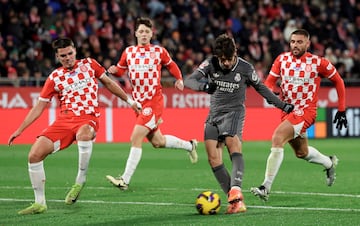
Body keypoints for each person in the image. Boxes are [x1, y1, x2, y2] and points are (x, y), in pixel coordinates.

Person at [8, 38, 141, 215]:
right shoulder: (54, 77)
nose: (68, 58)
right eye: (63, 55)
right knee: (34, 155)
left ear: (75, 51)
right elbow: (39, 106)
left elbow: (109, 83)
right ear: (57, 56)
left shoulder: (90, 64)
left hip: (88, 117)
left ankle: (80, 180)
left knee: (84, 134)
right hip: (64, 121)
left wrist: (130, 101)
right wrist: (20, 129)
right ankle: (40, 203)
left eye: (70, 53)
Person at [184, 34, 294, 214]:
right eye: (222, 60)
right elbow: (189, 80)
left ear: (235, 52)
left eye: (228, 59)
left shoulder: (245, 68)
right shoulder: (210, 63)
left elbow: (262, 88)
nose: (226, 63)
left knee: (232, 144)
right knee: (213, 157)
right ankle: (235, 200)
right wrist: (203, 87)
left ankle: (236, 189)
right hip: (214, 115)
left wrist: (282, 105)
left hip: (234, 112)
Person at [250, 29, 348, 201]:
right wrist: (272, 93)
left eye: (300, 42)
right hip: (287, 111)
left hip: (306, 112)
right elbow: (269, 83)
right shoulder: (282, 59)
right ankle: (329, 163)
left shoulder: (318, 63)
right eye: (293, 41)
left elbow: (338, 81)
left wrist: (341, 109)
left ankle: (265, 186)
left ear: (308, 43)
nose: (295, 45)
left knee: (277, 137)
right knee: (302, 153)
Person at [105, 17, 198, 190]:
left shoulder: (159, 51)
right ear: (135, 33)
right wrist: (113, 70)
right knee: (158, 142)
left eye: (147, 31)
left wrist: (178, 79)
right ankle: (189, 145)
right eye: (141, 31)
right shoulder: (129, 52)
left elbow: (171, 65)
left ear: (151, 33)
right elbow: (120, 70)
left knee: (135, 137)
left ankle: (124, 180)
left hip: (153, 102)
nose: (144, 34)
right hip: (138, 104)